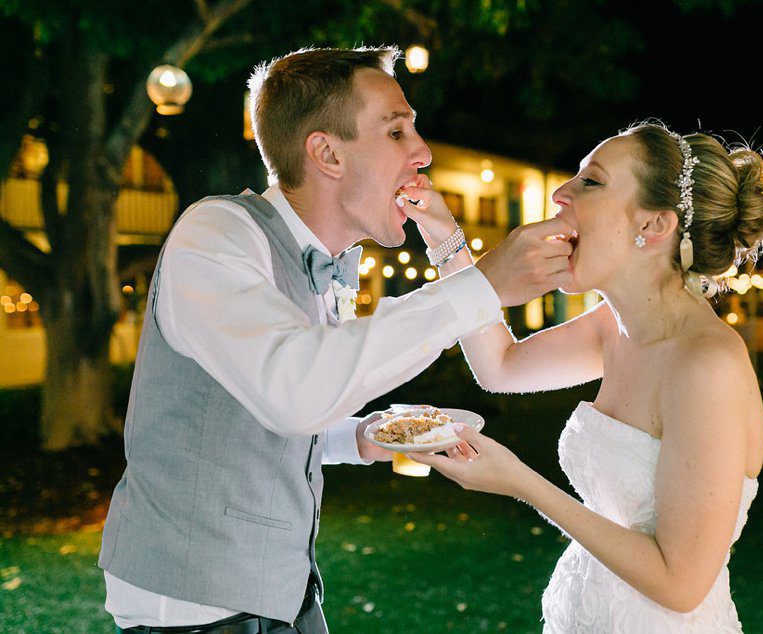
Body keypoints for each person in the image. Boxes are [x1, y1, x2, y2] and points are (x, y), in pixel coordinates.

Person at [98, 46, 573, 634]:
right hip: (194, 608)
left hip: (284, 592)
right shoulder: (215, 234)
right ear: (325, 152)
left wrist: (361, 437)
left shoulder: (328, 263)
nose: (422, 152)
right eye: (397, 131)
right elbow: (291, 389)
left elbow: (270, 408)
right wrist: (481, 284)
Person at [408, 121, 763, 632]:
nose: (561, 193)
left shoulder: (705, 365)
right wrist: (446, 239)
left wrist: (521, 483)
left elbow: (681, 583)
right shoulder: (615, 327)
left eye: (591, 182)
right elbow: (499, 366)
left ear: (653, 226)